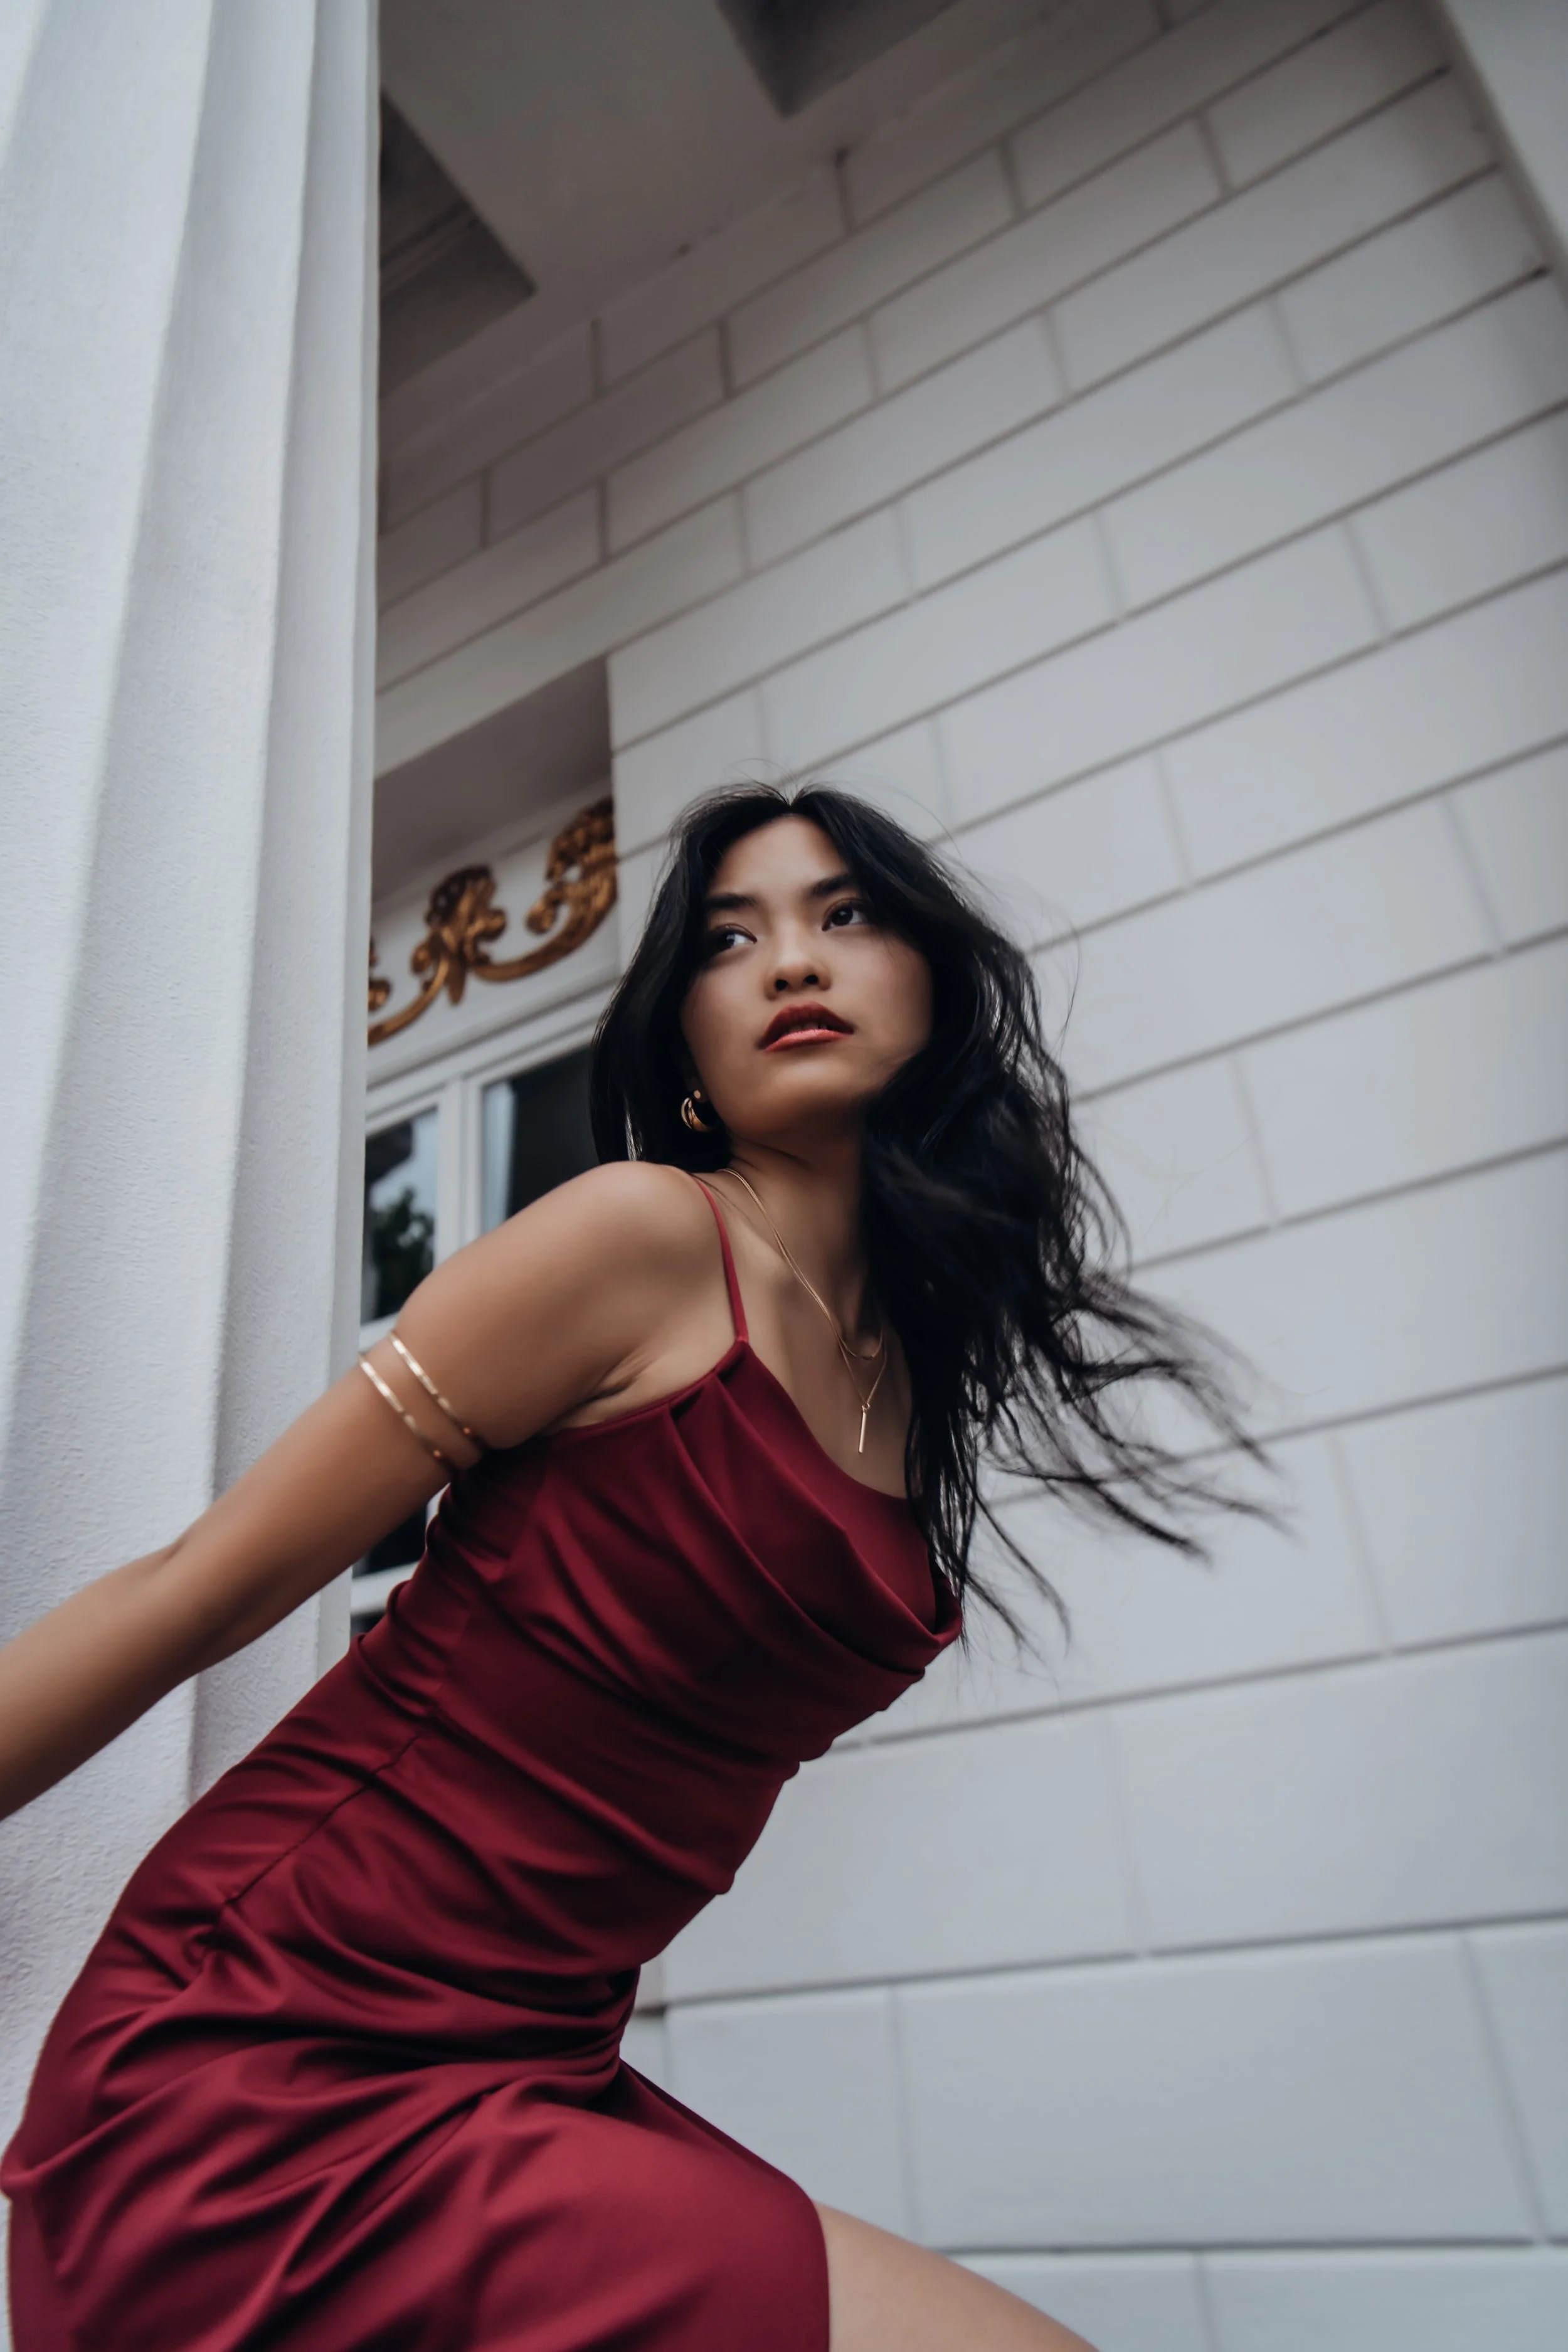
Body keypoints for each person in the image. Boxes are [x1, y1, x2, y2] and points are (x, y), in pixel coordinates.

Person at [0, 785, 1271, 2350]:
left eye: (843, 914)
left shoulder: (914, 1386)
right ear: (683, 1037)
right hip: (274, 2040)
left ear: (932, 982)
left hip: (529, 2054)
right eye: (730, 941)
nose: (790, 961)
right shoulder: (636, 1243)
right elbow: (198, 1587)